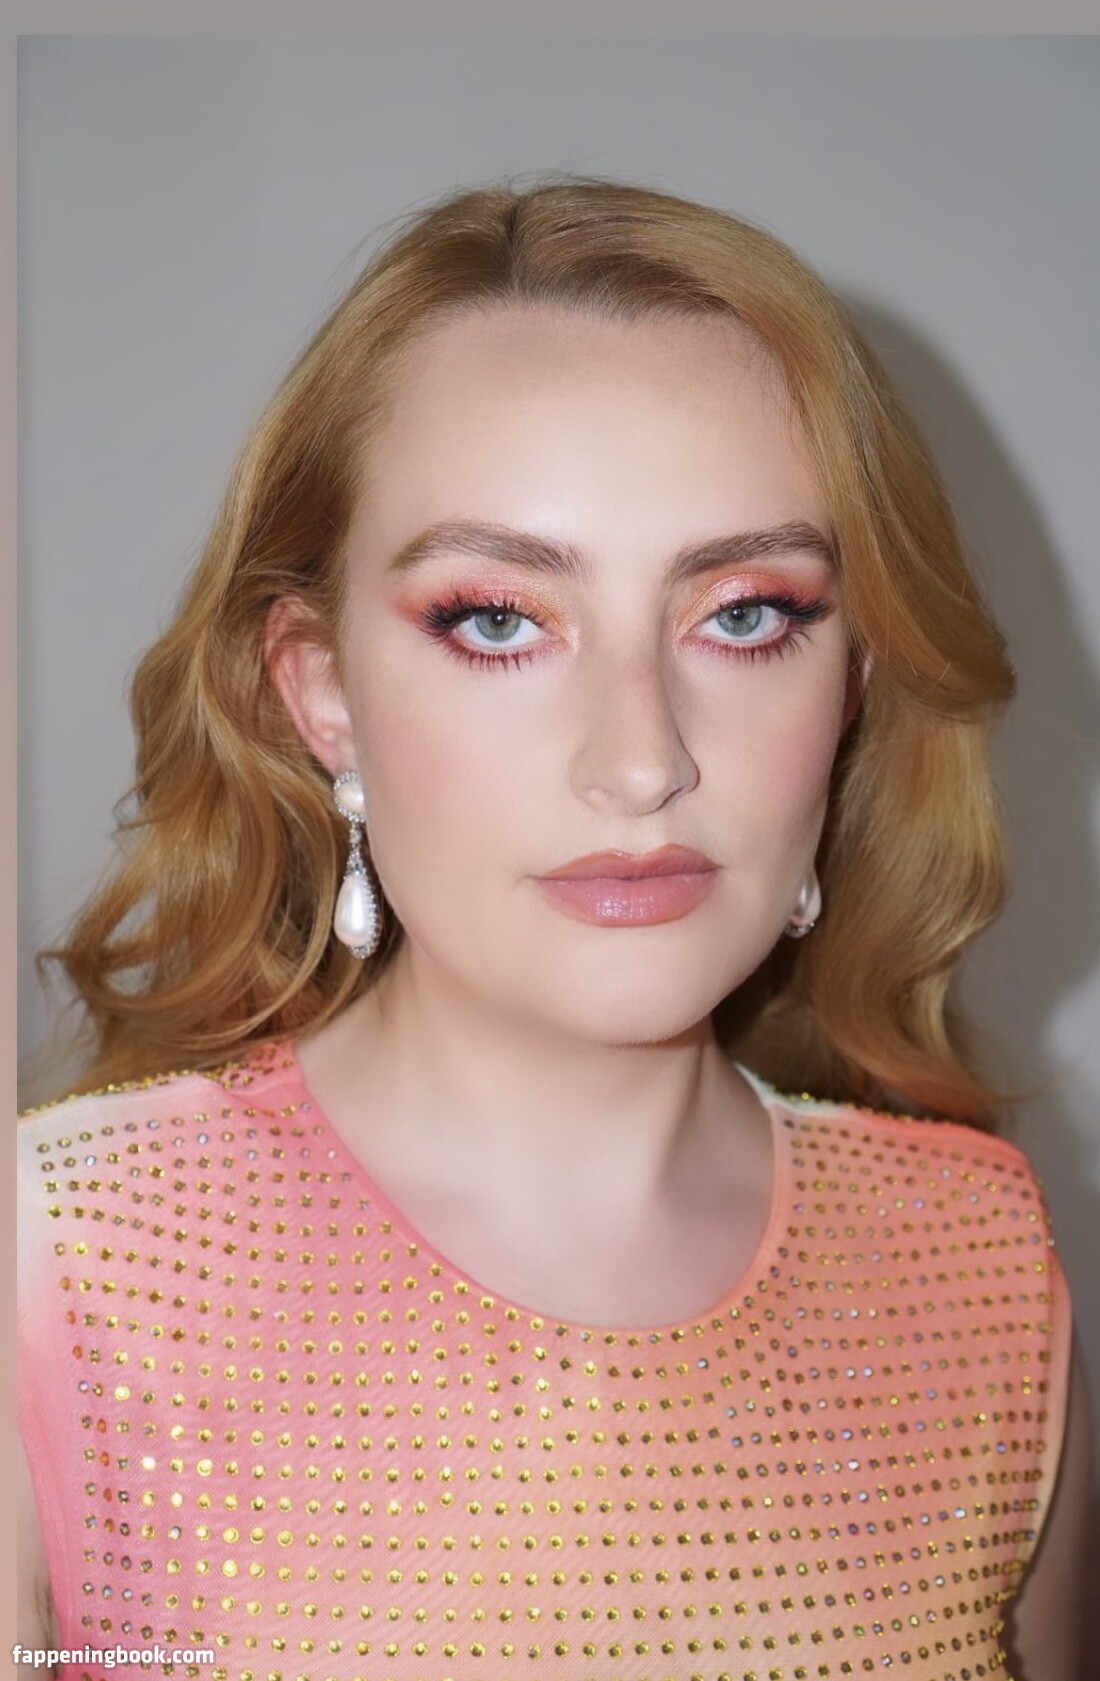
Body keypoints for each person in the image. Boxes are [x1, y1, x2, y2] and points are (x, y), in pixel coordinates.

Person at [17, 176, 1091, 1681]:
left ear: (852, 684)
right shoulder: (67, 1265)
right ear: (319, 689)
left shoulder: (981, 1272)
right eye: (498, 620)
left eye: (746, 613)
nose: (641, 763)